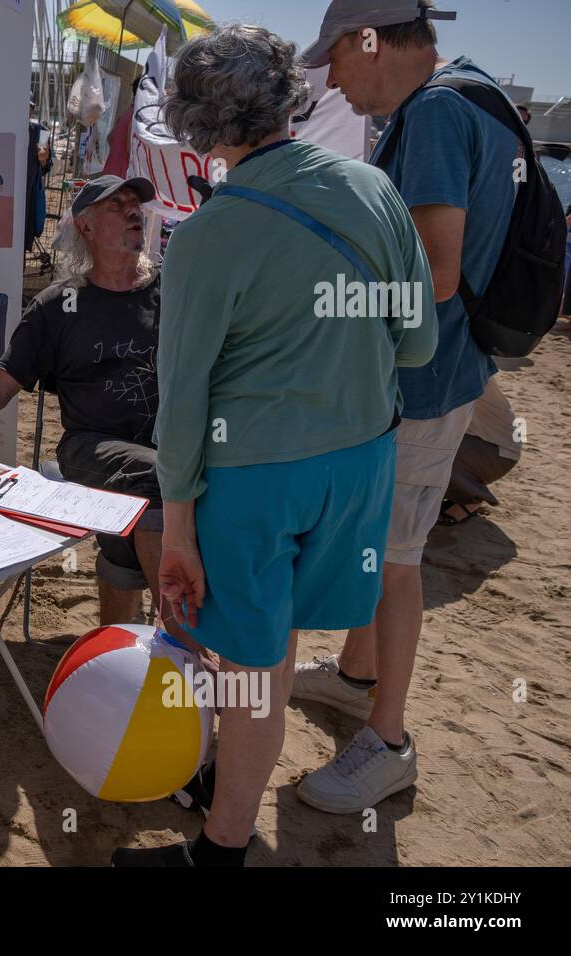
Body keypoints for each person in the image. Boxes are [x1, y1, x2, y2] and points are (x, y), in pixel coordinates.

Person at [114, 23, 436, 867]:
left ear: (200, 127)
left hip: (256, 481)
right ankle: (228, 823)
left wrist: (176, 534)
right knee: (278, 652)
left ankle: (222, 850)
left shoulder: (211, 232)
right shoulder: (374, 189)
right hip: (361, 463)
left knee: (253, 669)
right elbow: (418, 345)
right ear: (290, 95)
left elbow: (182, 409)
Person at [292, 0, 521, 813]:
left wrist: (320, 306)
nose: (334, 80)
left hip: (425, 382)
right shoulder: (471, 91)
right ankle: (359, 676)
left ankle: (387, 740)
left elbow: (436, 275)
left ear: (371, 41)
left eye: (339, 60)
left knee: (394, 562)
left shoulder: (432, 113)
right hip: (444, 371)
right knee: (385, 543)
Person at [0, 175, 171, 628]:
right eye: (118, 204)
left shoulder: (173, 292)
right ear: (87, 227)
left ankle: (117, 645)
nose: (134, 210)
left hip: (168, 444)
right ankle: (183, 645)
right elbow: (0, 383)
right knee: (158, 478)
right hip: (90, 448)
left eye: (136, 203)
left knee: (144, 501)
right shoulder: (59, 306)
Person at [438, 376, 522, 525]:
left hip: (496, 449)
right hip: (486, 441)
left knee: (423, 448)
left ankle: (470, 499)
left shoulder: (457, 362)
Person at [26, 99, 55, 253]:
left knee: (24, 240)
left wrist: (43, 159)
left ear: (33, 109)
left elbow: (47, 166)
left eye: (29, 107)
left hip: (29, 195)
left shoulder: (41, 132)